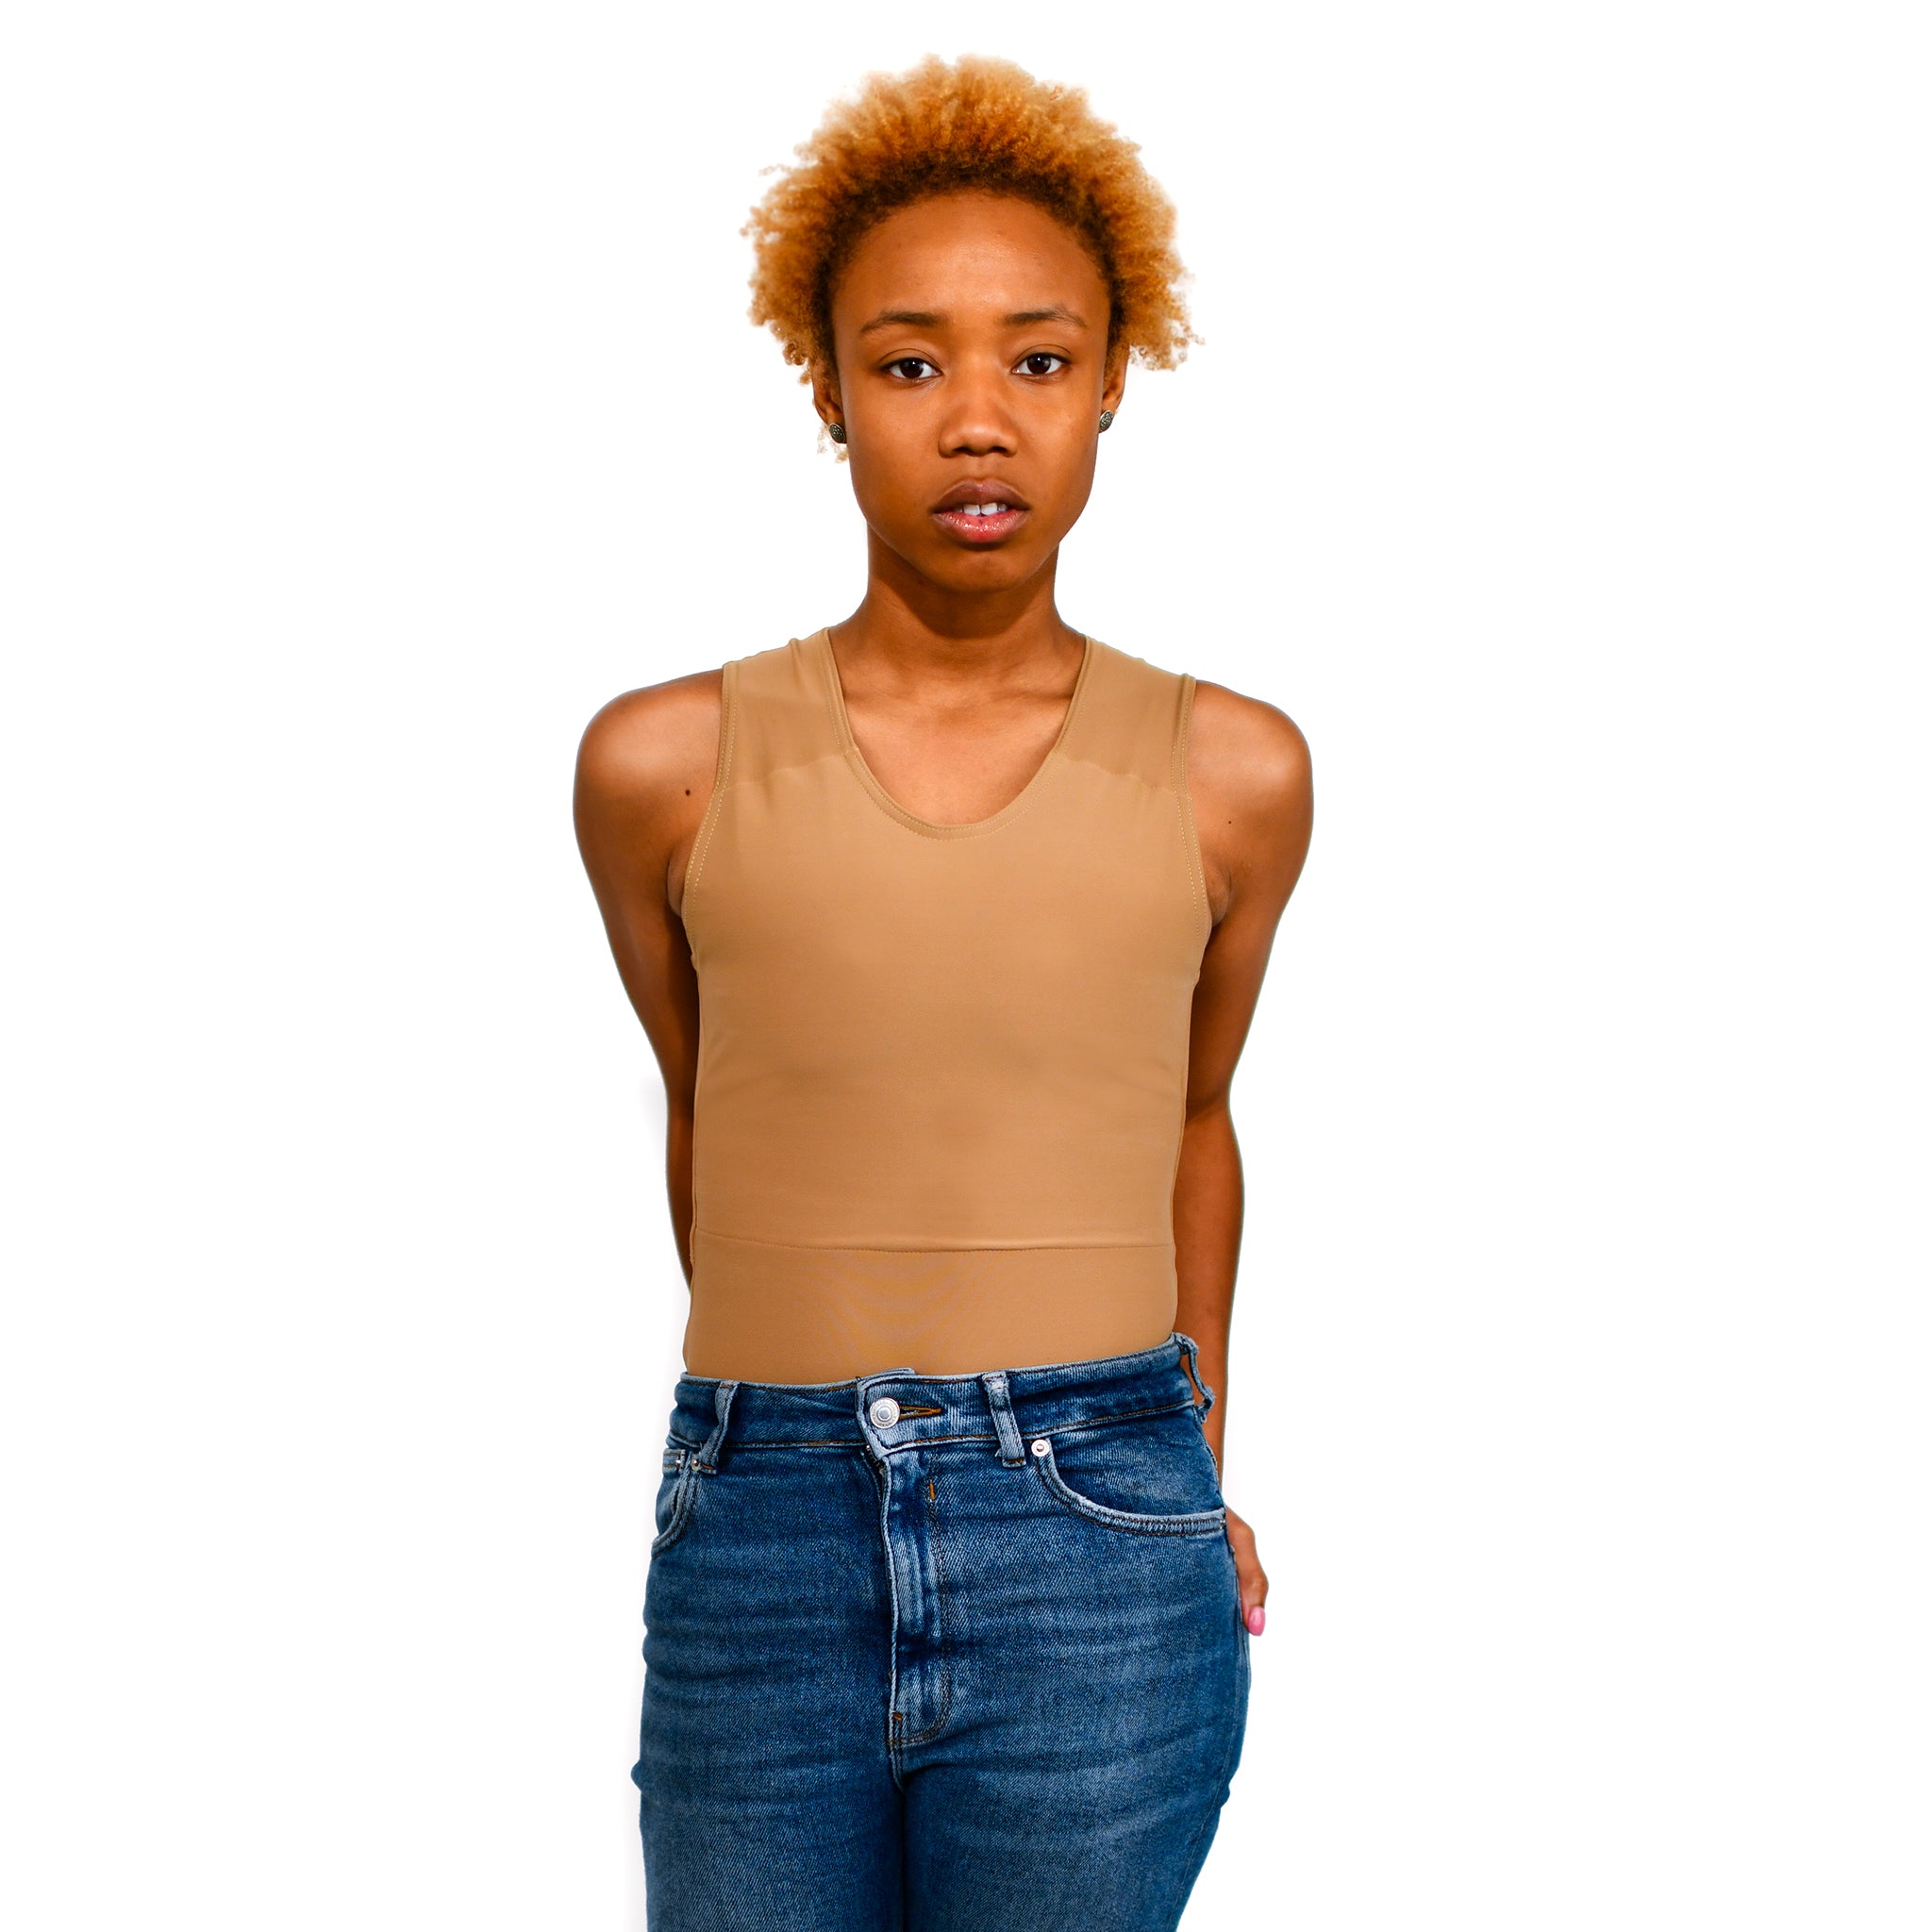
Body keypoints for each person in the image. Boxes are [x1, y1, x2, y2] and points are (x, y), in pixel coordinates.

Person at [574, 54, 1313, 1930]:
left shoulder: (1231, 772)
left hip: (1100, 1538)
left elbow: (1192, 1117)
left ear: (1113, 381)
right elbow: (714, 1105)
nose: (977, 420)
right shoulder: (665, 767)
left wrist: (1184, 1472)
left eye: (1038, 360)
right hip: (760, 1534)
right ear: (825, 390)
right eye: (907, 366)